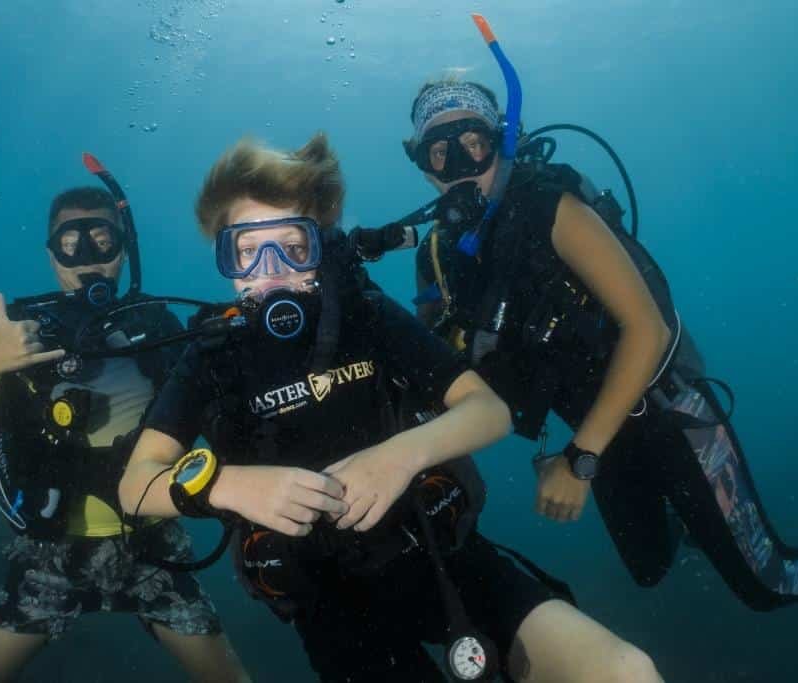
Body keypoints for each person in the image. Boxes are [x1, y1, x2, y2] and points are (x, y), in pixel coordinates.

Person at [118, 132, 662, 682]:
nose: (273, 267)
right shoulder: (213, 355)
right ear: (225, 258)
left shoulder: (366, 316)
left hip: (436, 551)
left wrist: (399, 455)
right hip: (329, 600)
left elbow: (489, 411)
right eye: (248, 249)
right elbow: (134, 486)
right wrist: (230, 486)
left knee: (626, 671)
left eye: (293, 245)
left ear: (321, 246)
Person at [403, 76, 798, 611]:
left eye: (475, 144)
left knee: (770, 584)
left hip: (665, 412)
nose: (461, 167)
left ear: (505, 141)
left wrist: (580, 461)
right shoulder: (439, 259)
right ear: (423, 166)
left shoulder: (550, 207)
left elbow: (648, 330)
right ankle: (698, 520)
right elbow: (439, 371)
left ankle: (707, 511)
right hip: (594, 434)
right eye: (441, 153)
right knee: (649, 568)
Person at [0, 179, 249, 682]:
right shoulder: (19, 331)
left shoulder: (156, 324)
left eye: (102, 240)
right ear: (50, 254)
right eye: (70, 242)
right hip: (49, 550)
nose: (87, 255)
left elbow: (215, 421)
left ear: (124, 248)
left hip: (153, 543)